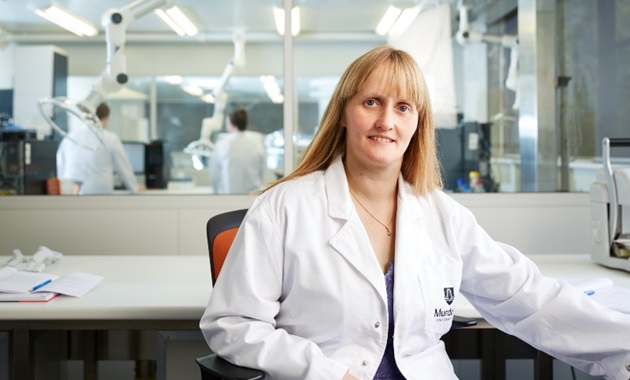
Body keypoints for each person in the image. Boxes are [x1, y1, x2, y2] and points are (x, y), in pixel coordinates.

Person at [200, 46, 630, 379]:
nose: (386, 120)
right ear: (344, 114)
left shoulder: (442, 214)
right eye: (371, 102)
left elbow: (528, 297)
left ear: (417, 124)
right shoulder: (284, 208)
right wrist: (328, 373)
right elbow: (233, 324)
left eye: (403, 107)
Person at [56, 102, 142, 195]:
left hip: (71, 194)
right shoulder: (111, 138)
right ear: (104, 118)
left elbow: (61, 168)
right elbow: (124, 170)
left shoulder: (69, 137)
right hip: (99, 196)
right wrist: (135, 187)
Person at [208, 107, 266, 194]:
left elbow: (215, 174)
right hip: (252, 196)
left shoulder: (222, 144)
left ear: (232, 124)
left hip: (228, 196)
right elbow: (262, 173)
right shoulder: (257, 144)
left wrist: (216, 193)